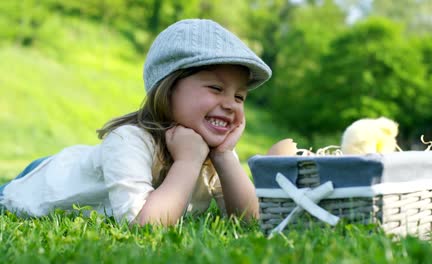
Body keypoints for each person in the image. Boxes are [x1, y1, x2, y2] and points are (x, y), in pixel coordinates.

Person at [0, 19, 272, 226]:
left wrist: (225, 157)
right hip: (44, 181)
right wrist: (187, 163)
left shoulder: (213, 149)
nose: (230, 104)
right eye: (215, 88)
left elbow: (249, 220)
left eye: (240, 96)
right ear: (167, 88)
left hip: (90, 167)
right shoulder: (128, 139)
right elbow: (144, 225)